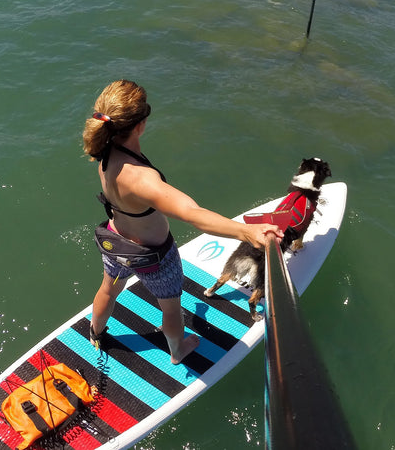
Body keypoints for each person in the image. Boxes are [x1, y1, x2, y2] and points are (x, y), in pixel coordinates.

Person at [82, 80, 282, 365]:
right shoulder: (141, 179)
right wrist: (245, 231)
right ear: (140, 123)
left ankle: (96, 333)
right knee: (171, 309)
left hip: (115, 243)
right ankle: (178, 351)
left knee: (108, 289)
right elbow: (192, 213)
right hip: (155, 258)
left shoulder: (103, 151)